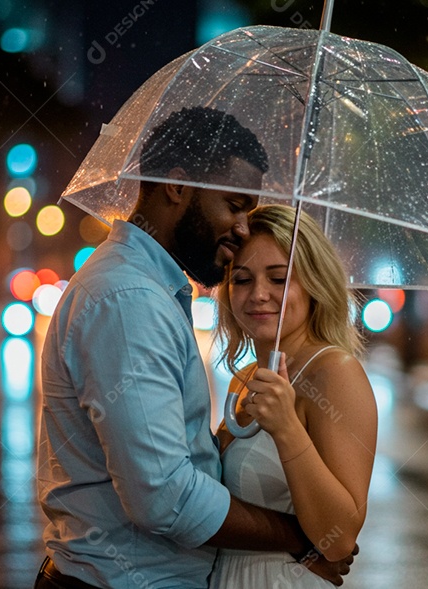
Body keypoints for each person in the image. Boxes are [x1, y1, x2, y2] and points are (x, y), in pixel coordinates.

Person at [35, 107, 352, 589]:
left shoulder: (147, 289)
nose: (243, 227)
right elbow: (164, 497)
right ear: (177, 186)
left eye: (279, 278)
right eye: (235, 205)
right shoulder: (131, 298)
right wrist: (301, 539)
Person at [210, 204, 378, 588]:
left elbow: (339, 539)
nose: (259, 295)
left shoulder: (334, 372)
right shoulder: (247, 378)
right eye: (242, 279)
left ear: (314, 283)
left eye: (279, 278)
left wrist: (287, 427)